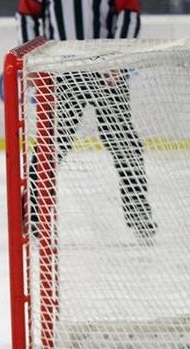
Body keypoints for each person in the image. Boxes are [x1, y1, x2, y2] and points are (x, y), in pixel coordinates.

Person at [16, 0, 156, 240]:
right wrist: (31, 61)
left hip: (104, 68)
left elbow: (128, 12)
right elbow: (28, 13)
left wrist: (117, 59)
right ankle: (34, 214)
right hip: (61, 70)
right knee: (51, 143)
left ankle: (138, 211)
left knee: (123, 141)